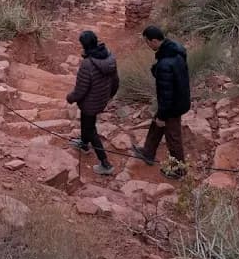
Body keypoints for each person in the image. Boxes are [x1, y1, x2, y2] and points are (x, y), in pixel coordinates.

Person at [131, 24, 190, 178]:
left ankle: (179, 170)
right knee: (156, 124)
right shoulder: (175, 50)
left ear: (154, 41)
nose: (147, 45)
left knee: (173, 137)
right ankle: (148, 152)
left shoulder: (165, 64)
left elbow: (166, 94)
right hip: (179, 99)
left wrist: (163, 116)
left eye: (147, 42)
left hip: (173, 106)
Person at [67, 30, 120, 176]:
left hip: (89, 103)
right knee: (86, 121)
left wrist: (70, 98)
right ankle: (84, 144)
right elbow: (116, 81)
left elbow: (80, 90)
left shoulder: (87, 64)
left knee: (91, 130)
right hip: (101, 99)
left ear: (84, 45)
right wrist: (109, 96)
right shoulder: (110, 57)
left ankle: (105, 163)